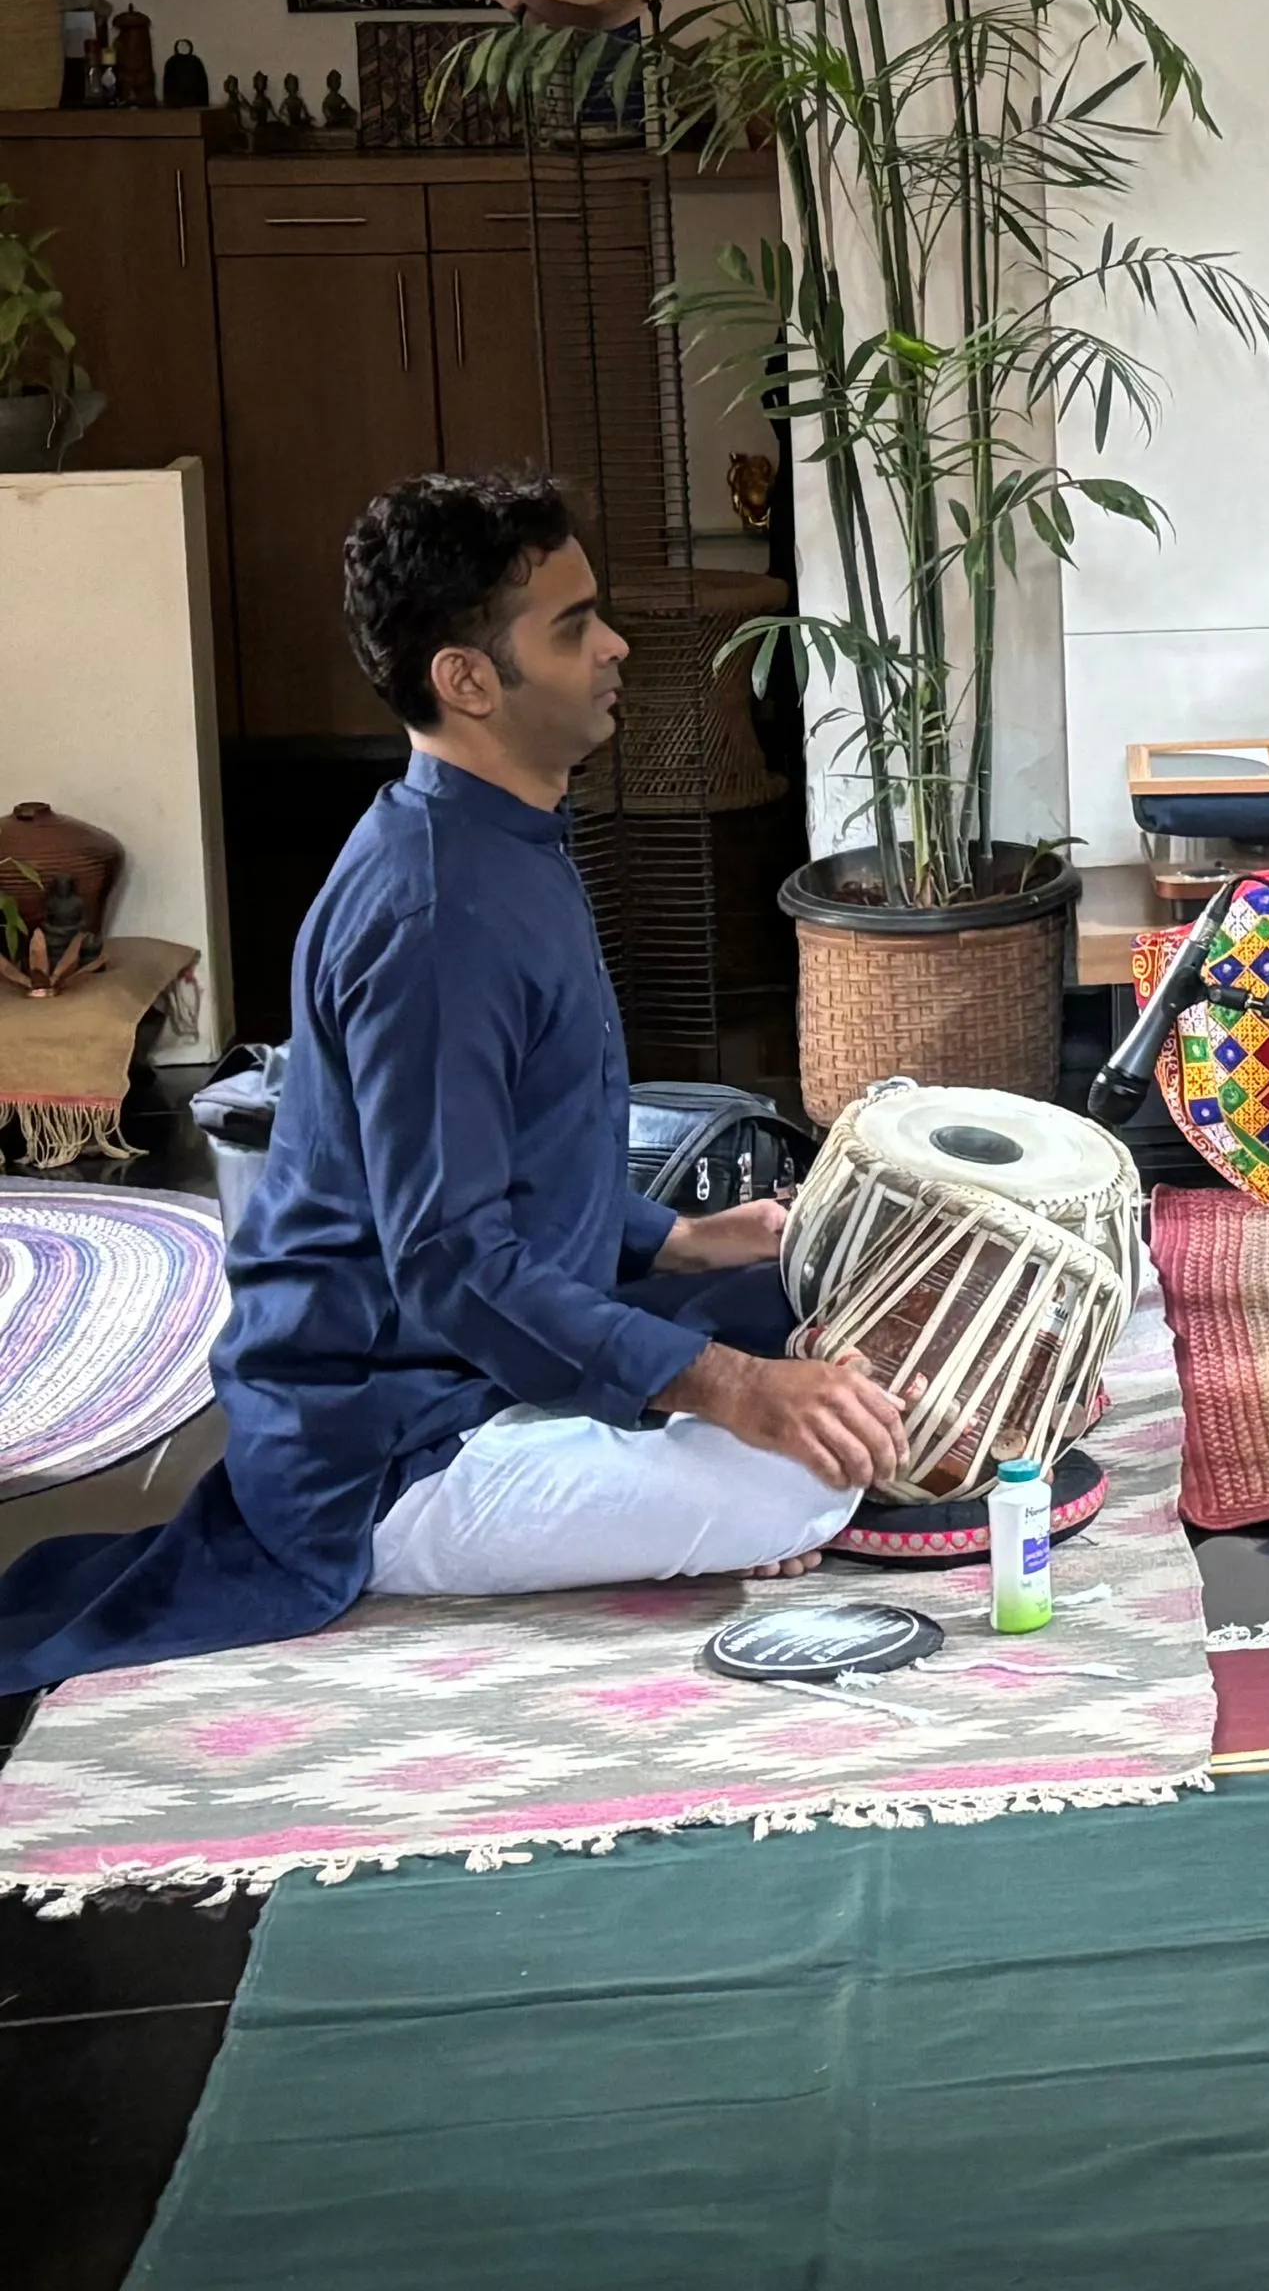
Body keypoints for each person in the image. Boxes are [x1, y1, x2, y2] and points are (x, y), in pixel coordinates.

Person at [0, 475, 904, 1699]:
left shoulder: (497, 838)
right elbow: (450, 1258)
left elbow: (508, 1156)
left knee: (814, 1319)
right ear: (468, 680)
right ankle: (520, 1532)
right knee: (806, 1466)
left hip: (465, 1367)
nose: (615, 646)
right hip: (392, 1446)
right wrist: (730, 1391)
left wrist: (680, 1240)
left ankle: (664, 1465)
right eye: (574, 625)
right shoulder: (438, 912)